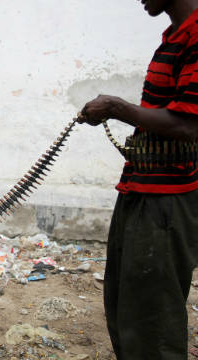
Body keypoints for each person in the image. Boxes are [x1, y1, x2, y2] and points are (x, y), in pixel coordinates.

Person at [77, 0, 198, 358]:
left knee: (151, 318)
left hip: (166, 201)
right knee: (125, 303)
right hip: (141, 189)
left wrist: (116, 108)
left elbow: (188, 125)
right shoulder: (175, 35)